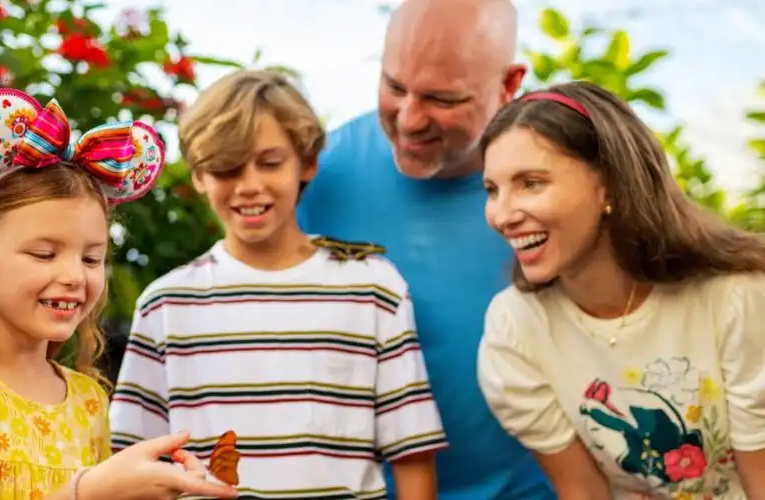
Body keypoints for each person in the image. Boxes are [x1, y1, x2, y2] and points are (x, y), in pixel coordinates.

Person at [0, 72, 238, 500]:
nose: (75, 275)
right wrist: (87, 492)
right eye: (43, 254)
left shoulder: (88, 400)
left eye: (91, 258)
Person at [109, 69, 447, 499]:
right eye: (226, 169)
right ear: (198, 175)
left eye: (270, 163)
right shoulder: (166, 306)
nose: (249, 186)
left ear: (306, 162)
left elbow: (413, 455)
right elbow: (132, 463)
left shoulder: (374, 289)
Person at [297, 0, 554, 498]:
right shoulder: (320, 175)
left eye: (442, 98)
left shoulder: (561, 182)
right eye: (394, 87)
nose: (410, 120)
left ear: (509, 83)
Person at [477, 81, 765, 498]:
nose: (502, 215)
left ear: (609, 184)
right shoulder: (515, 329)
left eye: (531, 183)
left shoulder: (737, 298)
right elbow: (582, 491)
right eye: (492, 190)